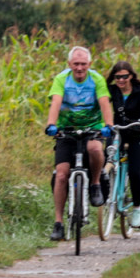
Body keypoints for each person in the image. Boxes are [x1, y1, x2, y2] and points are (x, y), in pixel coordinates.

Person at [45, 46, 115, 241]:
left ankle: (94, 184)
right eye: (76, 64)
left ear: (89, 65)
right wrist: (51, 124)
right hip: (66, 130)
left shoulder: (97, 80)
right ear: (69, 65)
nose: (79, 68)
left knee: (94, 148)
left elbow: (104, 103)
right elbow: (56, 102)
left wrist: (108, 125)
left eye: (83, 64)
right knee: (61, 175)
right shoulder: (61, 79)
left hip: (92, 128)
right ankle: (58, 222)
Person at [105, 61, 140, 228]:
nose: (121, 80)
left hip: (138, 132)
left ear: (131, 76)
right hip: (118, 132)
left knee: (134, 171)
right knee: (106, 158)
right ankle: (106, 194)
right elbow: (101, 104)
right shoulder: (112, 91)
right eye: (117, 77)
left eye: (124, 76)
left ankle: (138, 207)